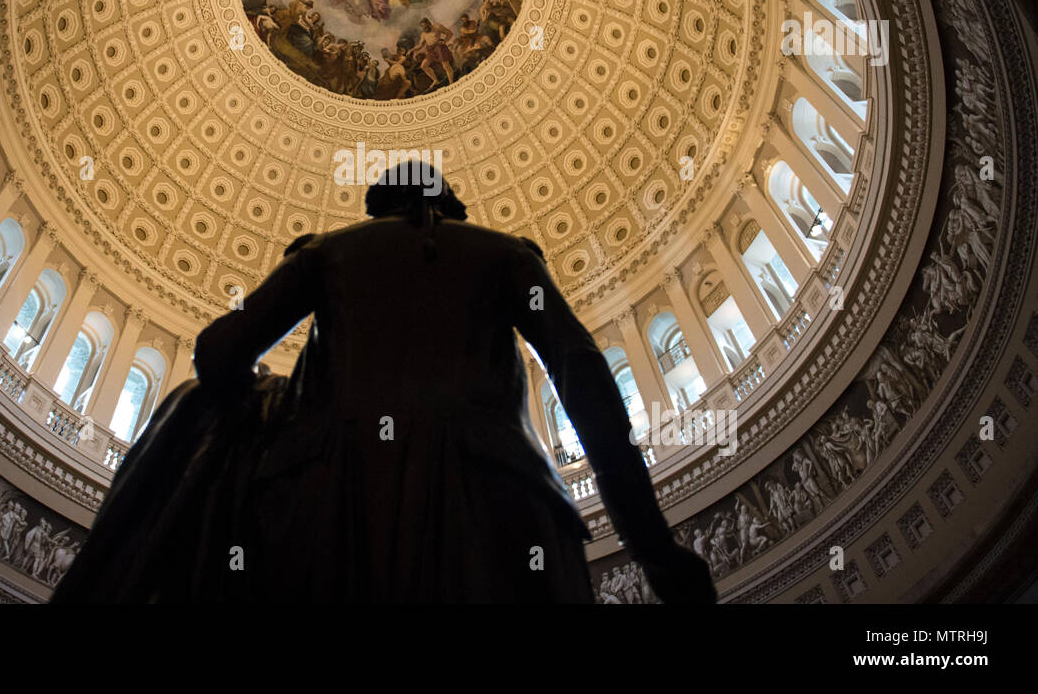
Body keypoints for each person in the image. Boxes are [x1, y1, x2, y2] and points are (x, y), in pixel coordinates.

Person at [53, 163, 714, 603]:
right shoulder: (507, 255)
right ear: (449, 202)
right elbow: (586, 382)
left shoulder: (327, 253)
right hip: (502, 508)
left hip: (329, 509)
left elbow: (216, 352)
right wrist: (654, 548)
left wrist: (267, 392)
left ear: (378, 204)